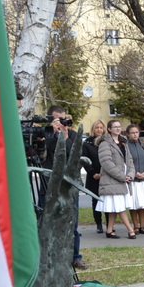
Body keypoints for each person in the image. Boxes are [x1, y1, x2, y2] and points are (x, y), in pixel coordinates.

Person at [43, 105, 84, 269]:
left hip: (68, 186)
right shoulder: (45, 134)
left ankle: (75, 257)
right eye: (58, 119)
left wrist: (66, 137)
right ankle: (47, 257)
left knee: (71, 223)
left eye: (64, 118)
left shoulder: (72, 135)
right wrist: (52, 134)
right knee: (47, 223)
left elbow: (75, 157)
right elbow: (43, 154)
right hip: (49, 185)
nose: (62, 122)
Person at [96, 120, 136, 239]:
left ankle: (109, 230)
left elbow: (130, 161)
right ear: (109, 129)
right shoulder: (105, 143)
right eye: (115, 127)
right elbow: (106, 162)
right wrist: (122, 176)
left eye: (119, 126)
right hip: (112, 180)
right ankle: (130, 230)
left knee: (115, 207)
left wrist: (130, 174)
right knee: (119, 207)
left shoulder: (123, 143)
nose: (118, 129)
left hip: (123, 180)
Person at [125, 123, 144, 234]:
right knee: (133, 204)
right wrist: (134, 173)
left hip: (143, 179)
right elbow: (125, 162)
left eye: (136, 132)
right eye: (132, 133)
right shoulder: (125, 147)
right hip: (132, 180)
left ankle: (142, 225)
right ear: (128, 134)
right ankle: (136, 226)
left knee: (142, 204)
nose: (135, 134)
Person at [83, 120, 108, 235]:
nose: (99, 130)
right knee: (96, 201)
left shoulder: (107, 141)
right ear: (93, 129)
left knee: (107, 200)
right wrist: (93, 173)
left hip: (107, 176)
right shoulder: (87, 143)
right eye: (97, 127)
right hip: (94, 176)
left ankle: (109, 224)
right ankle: (98, 224)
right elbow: (85, 160)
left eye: (101, 127)